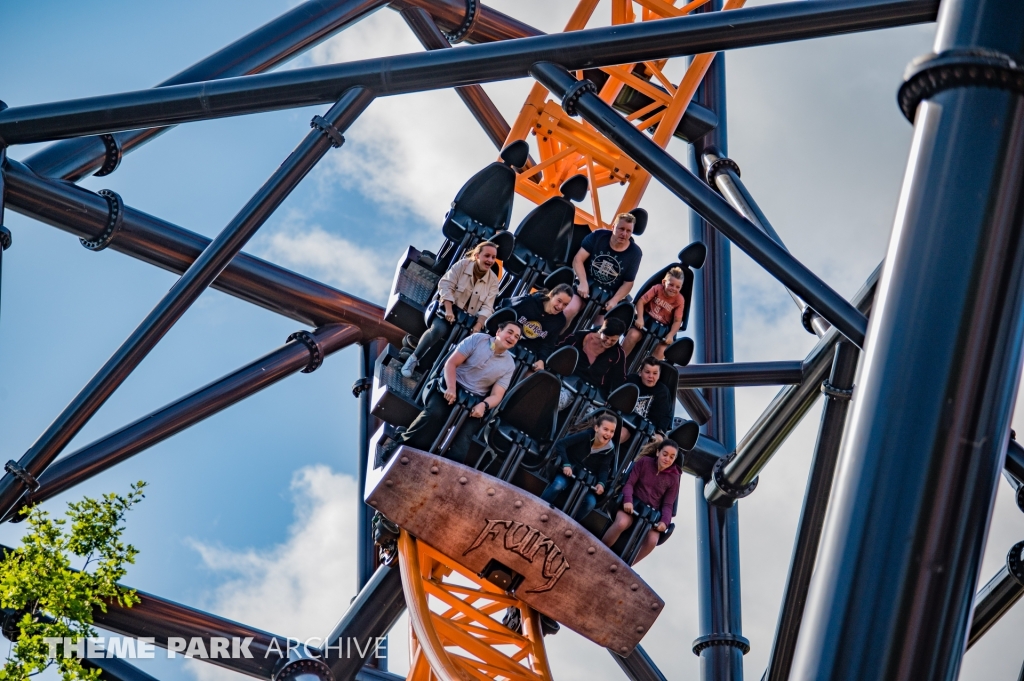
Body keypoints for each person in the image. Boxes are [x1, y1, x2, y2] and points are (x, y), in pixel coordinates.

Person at [390, 320, 522, 464]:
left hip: (473, 401)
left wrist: (484, 405)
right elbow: (451, 364)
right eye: (510, 332)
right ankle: (399, 448)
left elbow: (497, 395)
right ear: (498, 332)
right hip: (450, 385)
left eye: (516, 337)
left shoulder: (509, 364)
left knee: (464, 437)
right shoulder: (478, 339)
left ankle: (445, 470)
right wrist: (451, 388)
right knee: (434, 415)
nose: (512, 338)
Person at [402, 241, 500, 378]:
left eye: (493, 257)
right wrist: (448, 309)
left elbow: (488, 307)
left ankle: (442, 375)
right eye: (487, 256)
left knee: (466, 348)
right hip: (445, 310)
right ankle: (413, 358)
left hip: (467, 321)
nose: (490, 260)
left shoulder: (493, 281)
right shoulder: (462, 265)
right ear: (477, 256)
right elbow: (446, 285)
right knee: (439, 329)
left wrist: (478, 325)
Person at [601, 439, 681, 564]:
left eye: (671, 457)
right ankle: (600, 551)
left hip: (650, 514)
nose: (667, 459)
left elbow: (668, 504)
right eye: (665, 454)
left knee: (652, 540)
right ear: (658, 453)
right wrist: (628, 500)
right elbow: (629, 483)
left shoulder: (674, 478)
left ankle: (627, 567)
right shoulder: (645, 462)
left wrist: (664, 522)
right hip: (633, 505)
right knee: (622, 522)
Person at [563, 213, 643, 327]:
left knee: (601, 329)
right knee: (569, 310)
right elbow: (578, 259)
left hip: (607, 298)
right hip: (585, 285)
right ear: (613, 227)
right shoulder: (598, 236)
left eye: (628, 231)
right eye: (621, 229)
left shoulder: (635, 253)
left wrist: (615, 300)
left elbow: (628, 283)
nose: (624, 234)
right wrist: (583, 282)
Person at [540, 412, 618, 521]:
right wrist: (566, 464)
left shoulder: (610, 450)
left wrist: (601, 483)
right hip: (569, 473)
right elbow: (561, 444)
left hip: (586, 481)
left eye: (612, 431)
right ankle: (539, 508)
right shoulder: (586, 435)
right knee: (558, 485)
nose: (608, 434)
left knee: (590, 503)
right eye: (605, 429)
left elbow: (604, 469)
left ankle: (570, 524)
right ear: (596, 428)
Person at [502, 284, 573, 370]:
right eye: (559, 301)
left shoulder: (560, 321)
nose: (560, 306)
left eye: (565, 304)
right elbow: (504, 310)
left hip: (529, 354)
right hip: (509, 342)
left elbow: (548, 345)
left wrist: (541, 360)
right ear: (551, 295)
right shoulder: (529, 301)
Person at [621, 267, 685, 360]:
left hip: (662, 330)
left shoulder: (679, 300)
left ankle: (648, 368)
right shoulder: (657, 288)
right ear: (664, 282)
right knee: (633, 335)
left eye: (677, 287)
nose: (673, 289)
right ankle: (619, 361)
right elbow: (641, 302)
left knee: (662, 350)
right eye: (671, 285)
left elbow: (677, 321)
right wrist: (640, 318)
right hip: (646, 322)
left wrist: (671, 334)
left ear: (681, 287)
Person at [558, 318, 628, 398]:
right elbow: (558, 351)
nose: (608, 342)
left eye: (613, 340)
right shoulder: (580, 336)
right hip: (567, 381)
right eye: (606, 337)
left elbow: (619, 379)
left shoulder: (618, 354)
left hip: (592, 393)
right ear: (601, 331)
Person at [620, 357, 674, 442]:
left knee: (658, 441)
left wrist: (660, 433)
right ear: (640, 372)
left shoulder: (663, 392)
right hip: (626, 422)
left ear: (659, 375)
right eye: (647, 372)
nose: (651, 376)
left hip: (648, 431)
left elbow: (666, 416)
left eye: (655, 373)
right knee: (621, 434)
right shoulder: (631, 381)